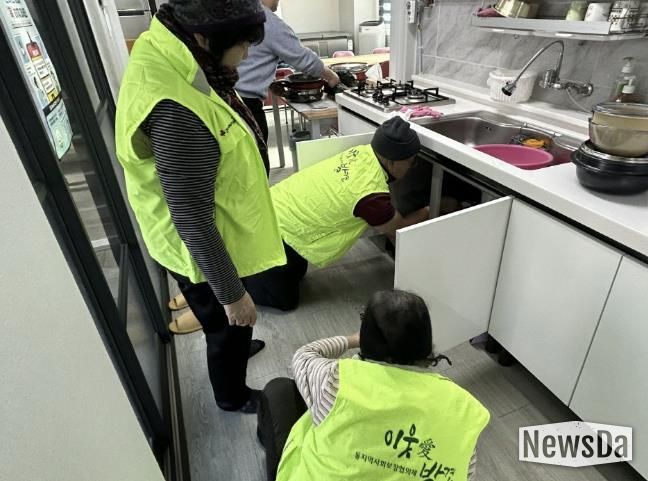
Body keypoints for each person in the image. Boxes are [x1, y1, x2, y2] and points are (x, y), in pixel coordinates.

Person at [115, 0, 287, 413]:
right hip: (197, 244)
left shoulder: (175, 55)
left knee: (233, 324)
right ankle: (232, 395)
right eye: (242, 45)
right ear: (204, 38)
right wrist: (233, 295)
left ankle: (237, 343)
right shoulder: (176, 110)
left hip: (210, 227)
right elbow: (192, 219)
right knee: (226, 323)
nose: (247, 54)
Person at [257, 289, 490, 481]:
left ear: (367, 338)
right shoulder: (464, 409)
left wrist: (352, 340)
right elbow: (465, 473)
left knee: (279, 389)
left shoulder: (334, 380)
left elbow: (305, 354)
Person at [244, 117, 431, 311]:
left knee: (298, 272)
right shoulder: (371, 195)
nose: (412, 167)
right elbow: (399, 229)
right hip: (273, 232)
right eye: (411, 162)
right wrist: (430, 209)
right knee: (285, 302)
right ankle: (237, 274)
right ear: (392, 161)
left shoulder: (361, 152)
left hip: (272, 208)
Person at [236, 0, 340, 174]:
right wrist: (331, 76)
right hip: (246, 107)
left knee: (242, 169)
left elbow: (248, 63)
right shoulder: (266, 19)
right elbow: (303, 58)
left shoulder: (240, 12)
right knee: (255, 170)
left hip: (228, 101)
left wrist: (267, 82)